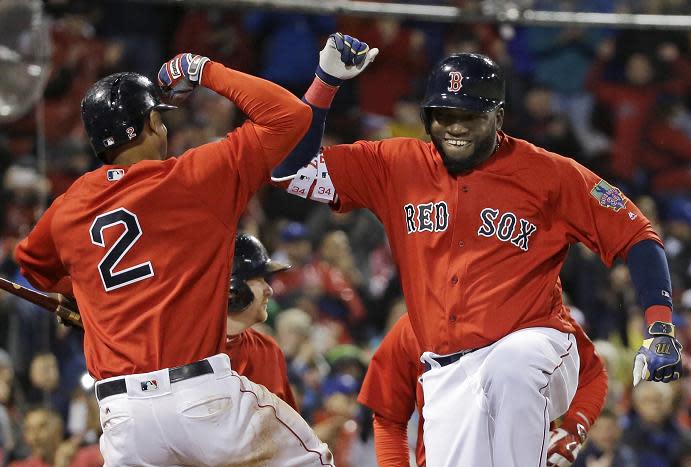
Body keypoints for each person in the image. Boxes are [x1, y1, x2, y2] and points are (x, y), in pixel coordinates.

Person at [272, 34, 682, 466]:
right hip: (446, 370)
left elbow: (637, 235)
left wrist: (659, 326)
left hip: (536, 343)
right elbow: (290, 173)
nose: (454, 126)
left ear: (498, 116)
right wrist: (325, 83)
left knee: (510, 365)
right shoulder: (395, 164)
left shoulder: (549, 174)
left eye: (469, 115)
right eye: (442, 114)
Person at [13, 53, 335, 466]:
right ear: (151, 124)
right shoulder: (193, 177)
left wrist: (92, 301)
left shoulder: (67, 207)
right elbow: (290, 115)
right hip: (201, 399)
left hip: (124, 418)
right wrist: (202, 69)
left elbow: (34, 268)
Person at [357, 310, 608, 467]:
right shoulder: (412, 327)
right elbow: (389, 418)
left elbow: (592, 374)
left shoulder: (534, 307)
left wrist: (573, 431)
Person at [225, 232, 298, 410]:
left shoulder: (268, 350)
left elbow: (289, 431)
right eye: (259, 279)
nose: (269, 290)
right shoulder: (191, 348)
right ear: (232, 288)